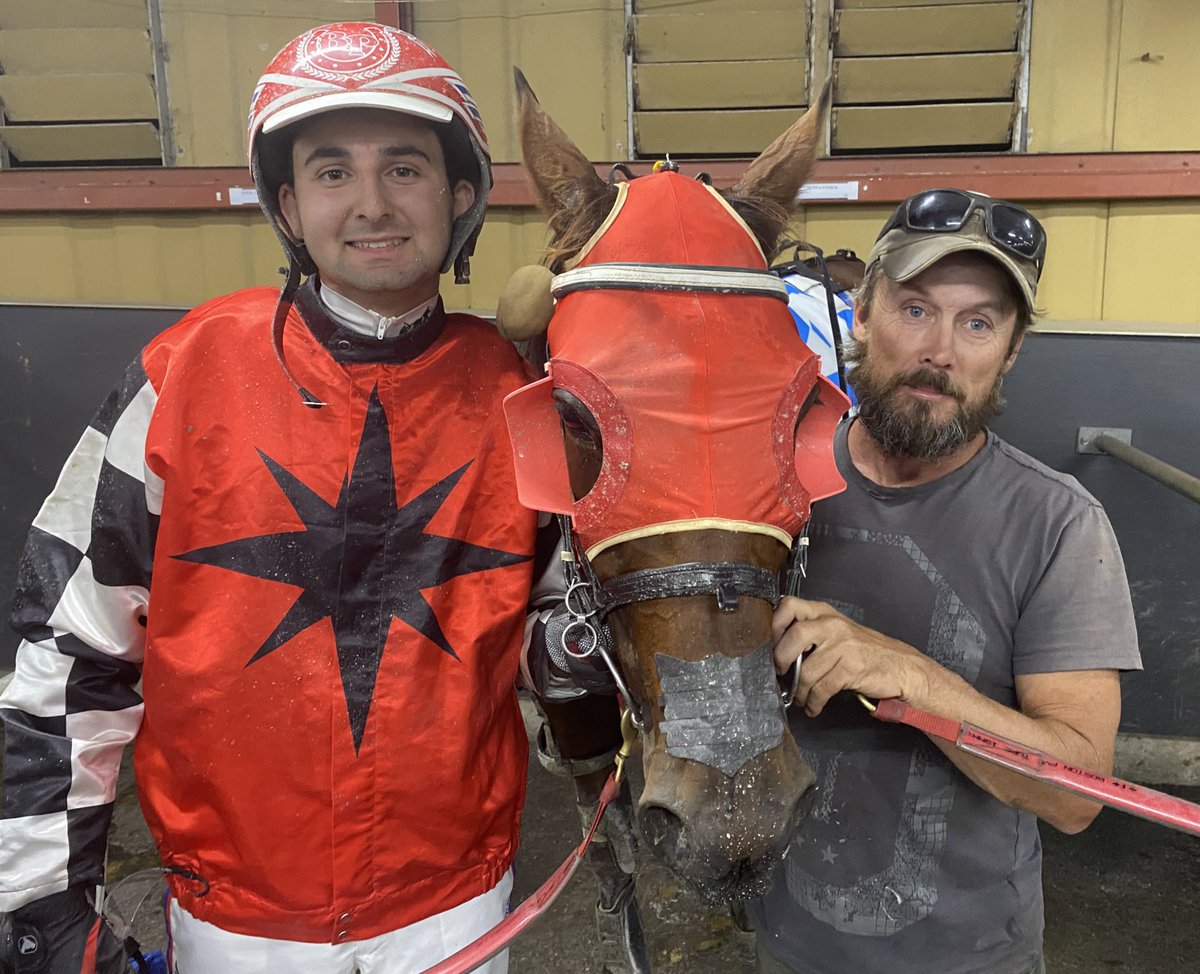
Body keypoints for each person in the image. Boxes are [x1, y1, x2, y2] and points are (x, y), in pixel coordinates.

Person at [0, 23, 540, 974]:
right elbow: (65, 654)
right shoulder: (183, 375)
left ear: (460, 194)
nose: (371, 205)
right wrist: (40, 908)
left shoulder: (518, 395)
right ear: (287, 204)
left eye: (404, 167)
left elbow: (546, 647)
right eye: (332, 172)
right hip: (236, 929)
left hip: (458, 915)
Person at [750, 189, 1142, 974]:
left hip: (967, 957)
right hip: (787, 942)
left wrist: (911, 677)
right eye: (916, 309)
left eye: (978, 322)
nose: (941, 350)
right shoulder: (771, 479)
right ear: (860, 312)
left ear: (1012, 349)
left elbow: (1075, 794)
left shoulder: (1058, 524)